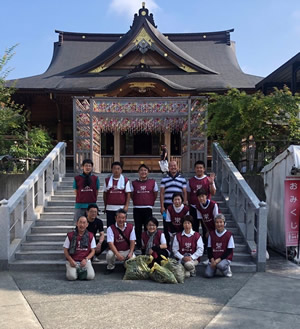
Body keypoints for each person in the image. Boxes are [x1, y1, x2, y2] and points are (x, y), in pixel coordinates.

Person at [131, 164, 158, 249]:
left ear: (148, 172)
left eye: (145, 170)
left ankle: (148, 244)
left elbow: (155, 193)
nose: (143, 172)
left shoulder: (152, 182)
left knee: (148, 227)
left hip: (148, 208)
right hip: (137, 208)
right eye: (141, 170)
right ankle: (139, 244)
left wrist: (150, 201)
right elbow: (132, 194)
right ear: (138, 172)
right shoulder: (134, 183)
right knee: (138, 228)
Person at [160, 160, 187, 245]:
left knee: (180, 224)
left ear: (177, 167)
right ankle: (167, 244)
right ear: (168, 168)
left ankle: (181, 243)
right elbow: (161, 192)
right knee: (166, 224)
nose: (173, 167)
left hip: (179, 205)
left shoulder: (182, 179)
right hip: (167, 205)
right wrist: (162, 206)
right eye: (171, 166)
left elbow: (185, 192)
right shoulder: (164, 179)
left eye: (175, 166)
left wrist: (185, 203)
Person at [63, 216, 96, 280]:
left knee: (90, 276)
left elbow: (93, 251)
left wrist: (86, 259)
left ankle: (78, 272)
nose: (82, 225)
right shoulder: (70, 235)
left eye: (84, 223)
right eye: (80, 222)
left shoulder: (90, 235)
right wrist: (71, 260)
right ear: (77, 223)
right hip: (73, 260)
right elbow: (65, 250)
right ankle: (76, 271)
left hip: (84, 260)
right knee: (71, 277)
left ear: (87, 225)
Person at [187, 160, 216, 232]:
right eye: (197, 168)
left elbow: (213, 193)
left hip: (205, 208)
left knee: (206, 229)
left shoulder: (208, 180)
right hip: (194, 207)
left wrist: (211, 183)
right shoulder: (190, 180)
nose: (199, 169)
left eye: (201, 168)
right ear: (194, 169)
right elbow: (188, 193)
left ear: (204, 169)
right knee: (194, 228)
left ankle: (206, 243)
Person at [105, 209, 136, 274]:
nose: (121, 220)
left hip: (126, 250)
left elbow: (132, 241)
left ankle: (126, 266)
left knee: (133, 258)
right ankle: (110, 267)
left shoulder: (130, 227)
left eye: (123, 218)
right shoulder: (110, 228)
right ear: (116, 218)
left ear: (126, 218)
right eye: (119, 217)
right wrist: (117, 254)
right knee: (109, 254)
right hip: (116, 251)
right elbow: (110, 243)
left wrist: (131, 252)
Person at [205, 213, 235, 278]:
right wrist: (212, 260)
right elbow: (209, 249)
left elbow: (229, 251)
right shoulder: (211, 234)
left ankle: (227, 269)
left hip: (225, 258)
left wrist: (218, 260)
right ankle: (215, 268)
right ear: (215, 224)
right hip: (214, 258)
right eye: (217, 222)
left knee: (220, 265)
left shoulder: (229, 234)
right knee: (208, 274)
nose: (219, 224)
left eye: (221, 222)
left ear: (224, 223)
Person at [103, 161, 131, 228]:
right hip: (110, 207)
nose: (116, 170)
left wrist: (126, 206)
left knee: (121, 226)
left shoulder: (125, 180)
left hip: (121, 207)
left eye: (118, 168)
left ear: (121, 170)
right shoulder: (107, 180)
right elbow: (105, 193)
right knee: (110, 226)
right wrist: (105, 205)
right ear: (112, 169)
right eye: (114, 168)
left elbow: (128, 194)